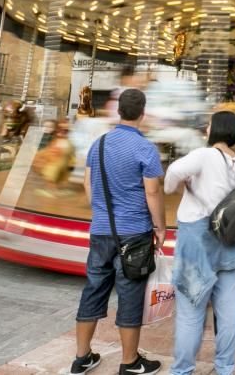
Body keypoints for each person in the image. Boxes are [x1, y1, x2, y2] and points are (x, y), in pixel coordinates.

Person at [72, 89, 165, 375]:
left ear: (119, 111)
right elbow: (153, 191)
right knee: (130, 293)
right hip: (134, 233)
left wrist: (101, 211)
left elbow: (88, 185)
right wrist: (160, 227)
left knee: (94, 288)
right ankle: (129, 362)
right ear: (143, 113)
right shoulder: (145, 148)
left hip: (101, 230)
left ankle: (82, 356)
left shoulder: (97, 145)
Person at [165, 111, 235, 375]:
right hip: (226, 241)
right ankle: (225, 368)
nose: (206, 127)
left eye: (210, 124)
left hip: (197, 240)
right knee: (229, 310)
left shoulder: (204, 155)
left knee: (191, 312)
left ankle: (182, 370)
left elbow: (172, 175)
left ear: (216, 129)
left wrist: (182, 186)